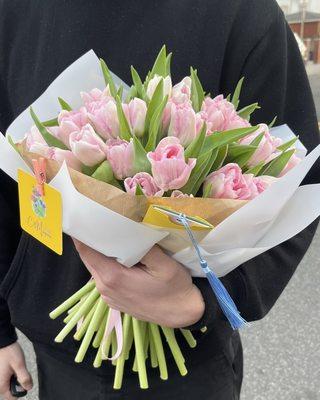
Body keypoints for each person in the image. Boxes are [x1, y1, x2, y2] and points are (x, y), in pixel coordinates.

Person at [0, 1, 319, 399]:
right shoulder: (15, 11)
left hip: (190, 356)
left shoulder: (243, 12)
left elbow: (297, 180)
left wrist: (205, 301)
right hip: (56, 345)